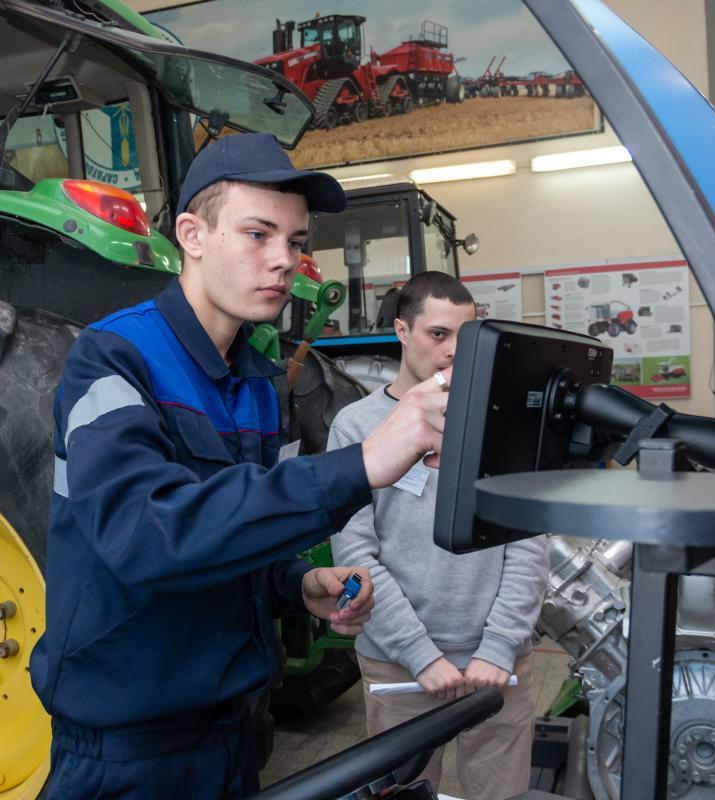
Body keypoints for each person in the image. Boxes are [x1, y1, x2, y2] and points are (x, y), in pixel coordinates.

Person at [30, 133, 453, 799]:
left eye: (295, 241)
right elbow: (147, 535)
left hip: (234, 732)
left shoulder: (258, 383)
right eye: (258, 235)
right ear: (192, 235)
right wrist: (362, 463)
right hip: (130, 748)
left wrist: (295, 583)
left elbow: (232, 530)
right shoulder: (114, 360)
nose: (284, 261)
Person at [329, 271, 548, 800]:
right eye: (437, 334)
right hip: (399, 664)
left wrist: (498, 646)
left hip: (497, 666)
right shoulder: (357, 427)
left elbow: (527, 545)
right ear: (401, 330)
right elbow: (355, 555)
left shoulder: (501, 424)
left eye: (464, 336)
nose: (454, 350)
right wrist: (420, 655)